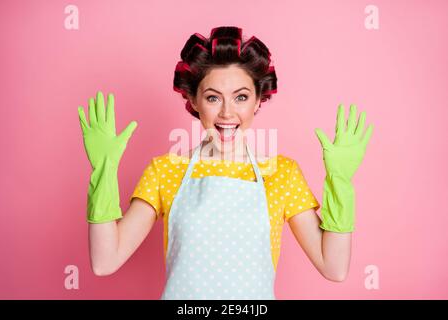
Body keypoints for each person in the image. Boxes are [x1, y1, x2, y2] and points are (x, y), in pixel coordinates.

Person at [78, 26, 374, 300]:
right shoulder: (165, 171)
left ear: (259, 101)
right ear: (193, 101)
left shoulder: (283, 174)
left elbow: (333, 267)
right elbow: (106, 261)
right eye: (213, 98)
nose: (227, 113)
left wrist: (340, 183)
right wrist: (104, 171)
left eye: (241, 97)